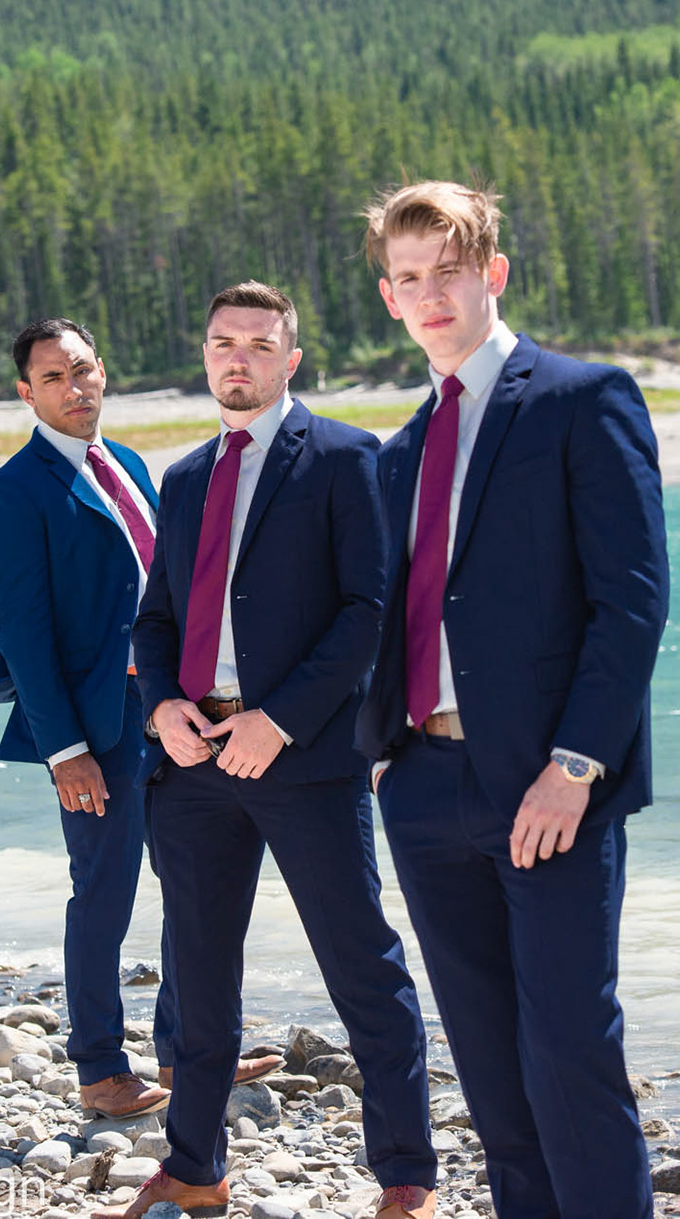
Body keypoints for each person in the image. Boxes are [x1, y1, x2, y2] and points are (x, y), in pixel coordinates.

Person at [354, 181, 670, 1219]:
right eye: (408, 279)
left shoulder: (584, 400)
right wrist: (386, 755)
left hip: (550, 789)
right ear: (391, 300)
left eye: (447, 270)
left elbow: (631, 603)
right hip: (428, 789)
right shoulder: (398, 453)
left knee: (572, 1051)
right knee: (490, 1068)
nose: (430, 293)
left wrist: (577, 766)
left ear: (491, 273)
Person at [106, 283, 437, 1219]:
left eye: (258, 343)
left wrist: (278, 719)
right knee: (200, 972)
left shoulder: (343, 458)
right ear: (205, 357)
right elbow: (158, 616)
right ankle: (195, 1166)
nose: (238, 358)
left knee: (361, 964)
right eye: (222, 343)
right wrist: (164, 705)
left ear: (292, 359)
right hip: (193, 758)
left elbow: (368, 611)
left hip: (306, 760)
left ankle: (405, 1177)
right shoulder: (182, 478)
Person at [0, 317, 180, 1119]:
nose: (75, 387)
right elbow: (24, 632)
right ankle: (99, 1066)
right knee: (104, 892)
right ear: (26, 392)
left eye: (84, 370)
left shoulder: (125, 462)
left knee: (193, 881)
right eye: (54, 378)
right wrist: (65, 749)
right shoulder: (13, 491)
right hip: (99, 724)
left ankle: (186, 1054)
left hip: (171, 711)